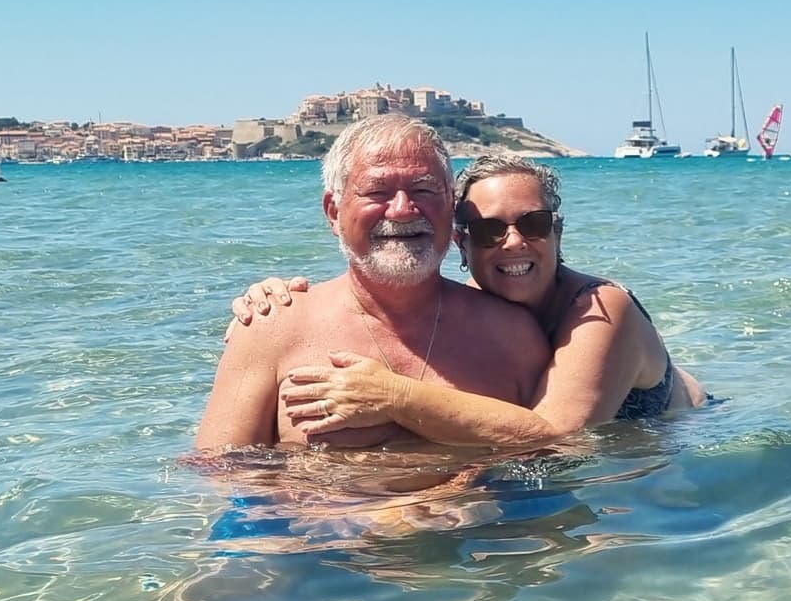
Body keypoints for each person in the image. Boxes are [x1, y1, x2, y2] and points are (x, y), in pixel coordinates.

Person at [229, 152, 704, 440]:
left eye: (533, 224)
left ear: (557, 232)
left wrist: (391, 396)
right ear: (462, 242)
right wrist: (274, 299)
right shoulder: (474, 307)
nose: (514, 242)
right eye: (490, 229)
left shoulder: (602, 309)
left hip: (688, 442)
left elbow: (561, 438)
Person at [197, 115, 551, 450]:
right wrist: (352, 511)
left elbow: (561, 457)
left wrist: (455, 495)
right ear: (334, 213)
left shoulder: (509, 334)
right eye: (377, 192)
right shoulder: (273, 328)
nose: (401, 210)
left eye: (424, 190)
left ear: (450, 207)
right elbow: (220, 472)